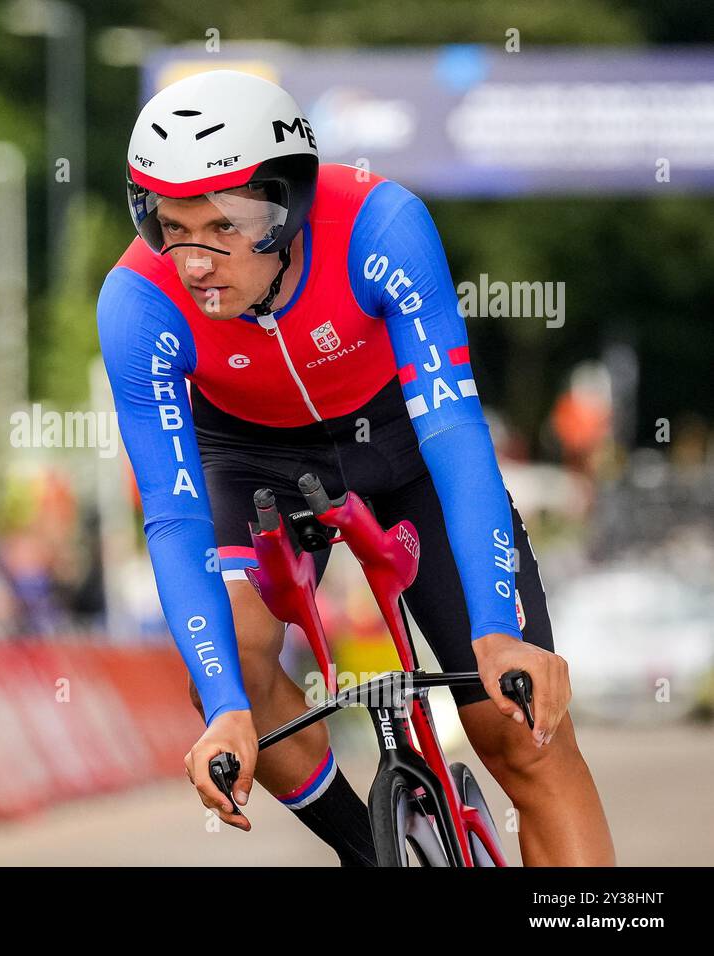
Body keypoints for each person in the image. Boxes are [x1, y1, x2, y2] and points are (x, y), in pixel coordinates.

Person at [97, 70, 614, 865]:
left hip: (403, 443)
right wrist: (228, 704)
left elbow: (454, 432)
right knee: (231, 662)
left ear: (287, 207)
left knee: (519, 732)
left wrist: (499, 635)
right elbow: (174, 511)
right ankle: (368, 853)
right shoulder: (138, 303)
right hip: (251, 454)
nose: (194, 260)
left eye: (221, 227)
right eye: (172, 226)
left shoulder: (382, 226)